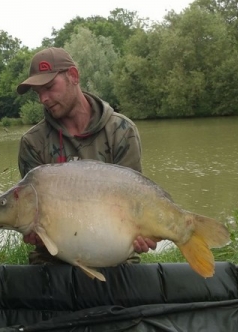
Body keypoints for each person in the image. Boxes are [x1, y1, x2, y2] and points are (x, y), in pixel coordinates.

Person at [16, 47, 157, 264]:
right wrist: (34, 230)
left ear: (74, 75)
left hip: (115, 256)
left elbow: (134, 201)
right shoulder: (33, 142)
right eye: (38, 93)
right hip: (54, 259)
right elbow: (32, 215)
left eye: (49, 87)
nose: (43, 98)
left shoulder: (121, 131)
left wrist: (142, 233)